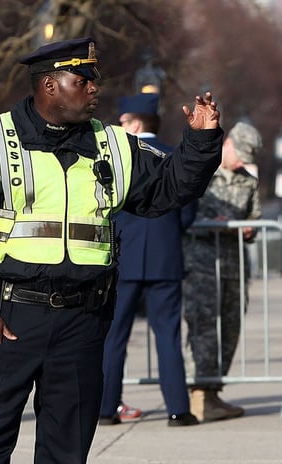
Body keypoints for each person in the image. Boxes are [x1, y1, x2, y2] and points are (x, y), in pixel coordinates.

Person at [0, 37, 223, 464]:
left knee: (66, 454)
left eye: (95, 80)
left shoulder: (114, 143)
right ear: (50, 85)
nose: (95, 89)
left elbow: (166, 190)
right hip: (12, 318)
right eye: (84, 79)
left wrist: (200, 144)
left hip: (83, 322)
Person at [99, 93, 199, 427]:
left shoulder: (116, 158)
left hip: (123, 256)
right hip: (164, 255)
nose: (119, 126)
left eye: (123, 121)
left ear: (135, 123)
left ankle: (106, 407)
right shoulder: (173, 156)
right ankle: (177, 409)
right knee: (168, 335)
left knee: (114, 336)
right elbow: (187, 208)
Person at [182, 121, 262, 422]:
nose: (241, 162)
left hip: (233, 265)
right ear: (227, 143)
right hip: (201, 264)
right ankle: (198, 393)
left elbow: (253, 215)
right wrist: (211, 221)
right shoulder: (203, 173)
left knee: (230, 328)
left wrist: (250, 229)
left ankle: (214, 392)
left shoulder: (248, 182)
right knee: (203, 328)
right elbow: (186, 213)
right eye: (239, 154)